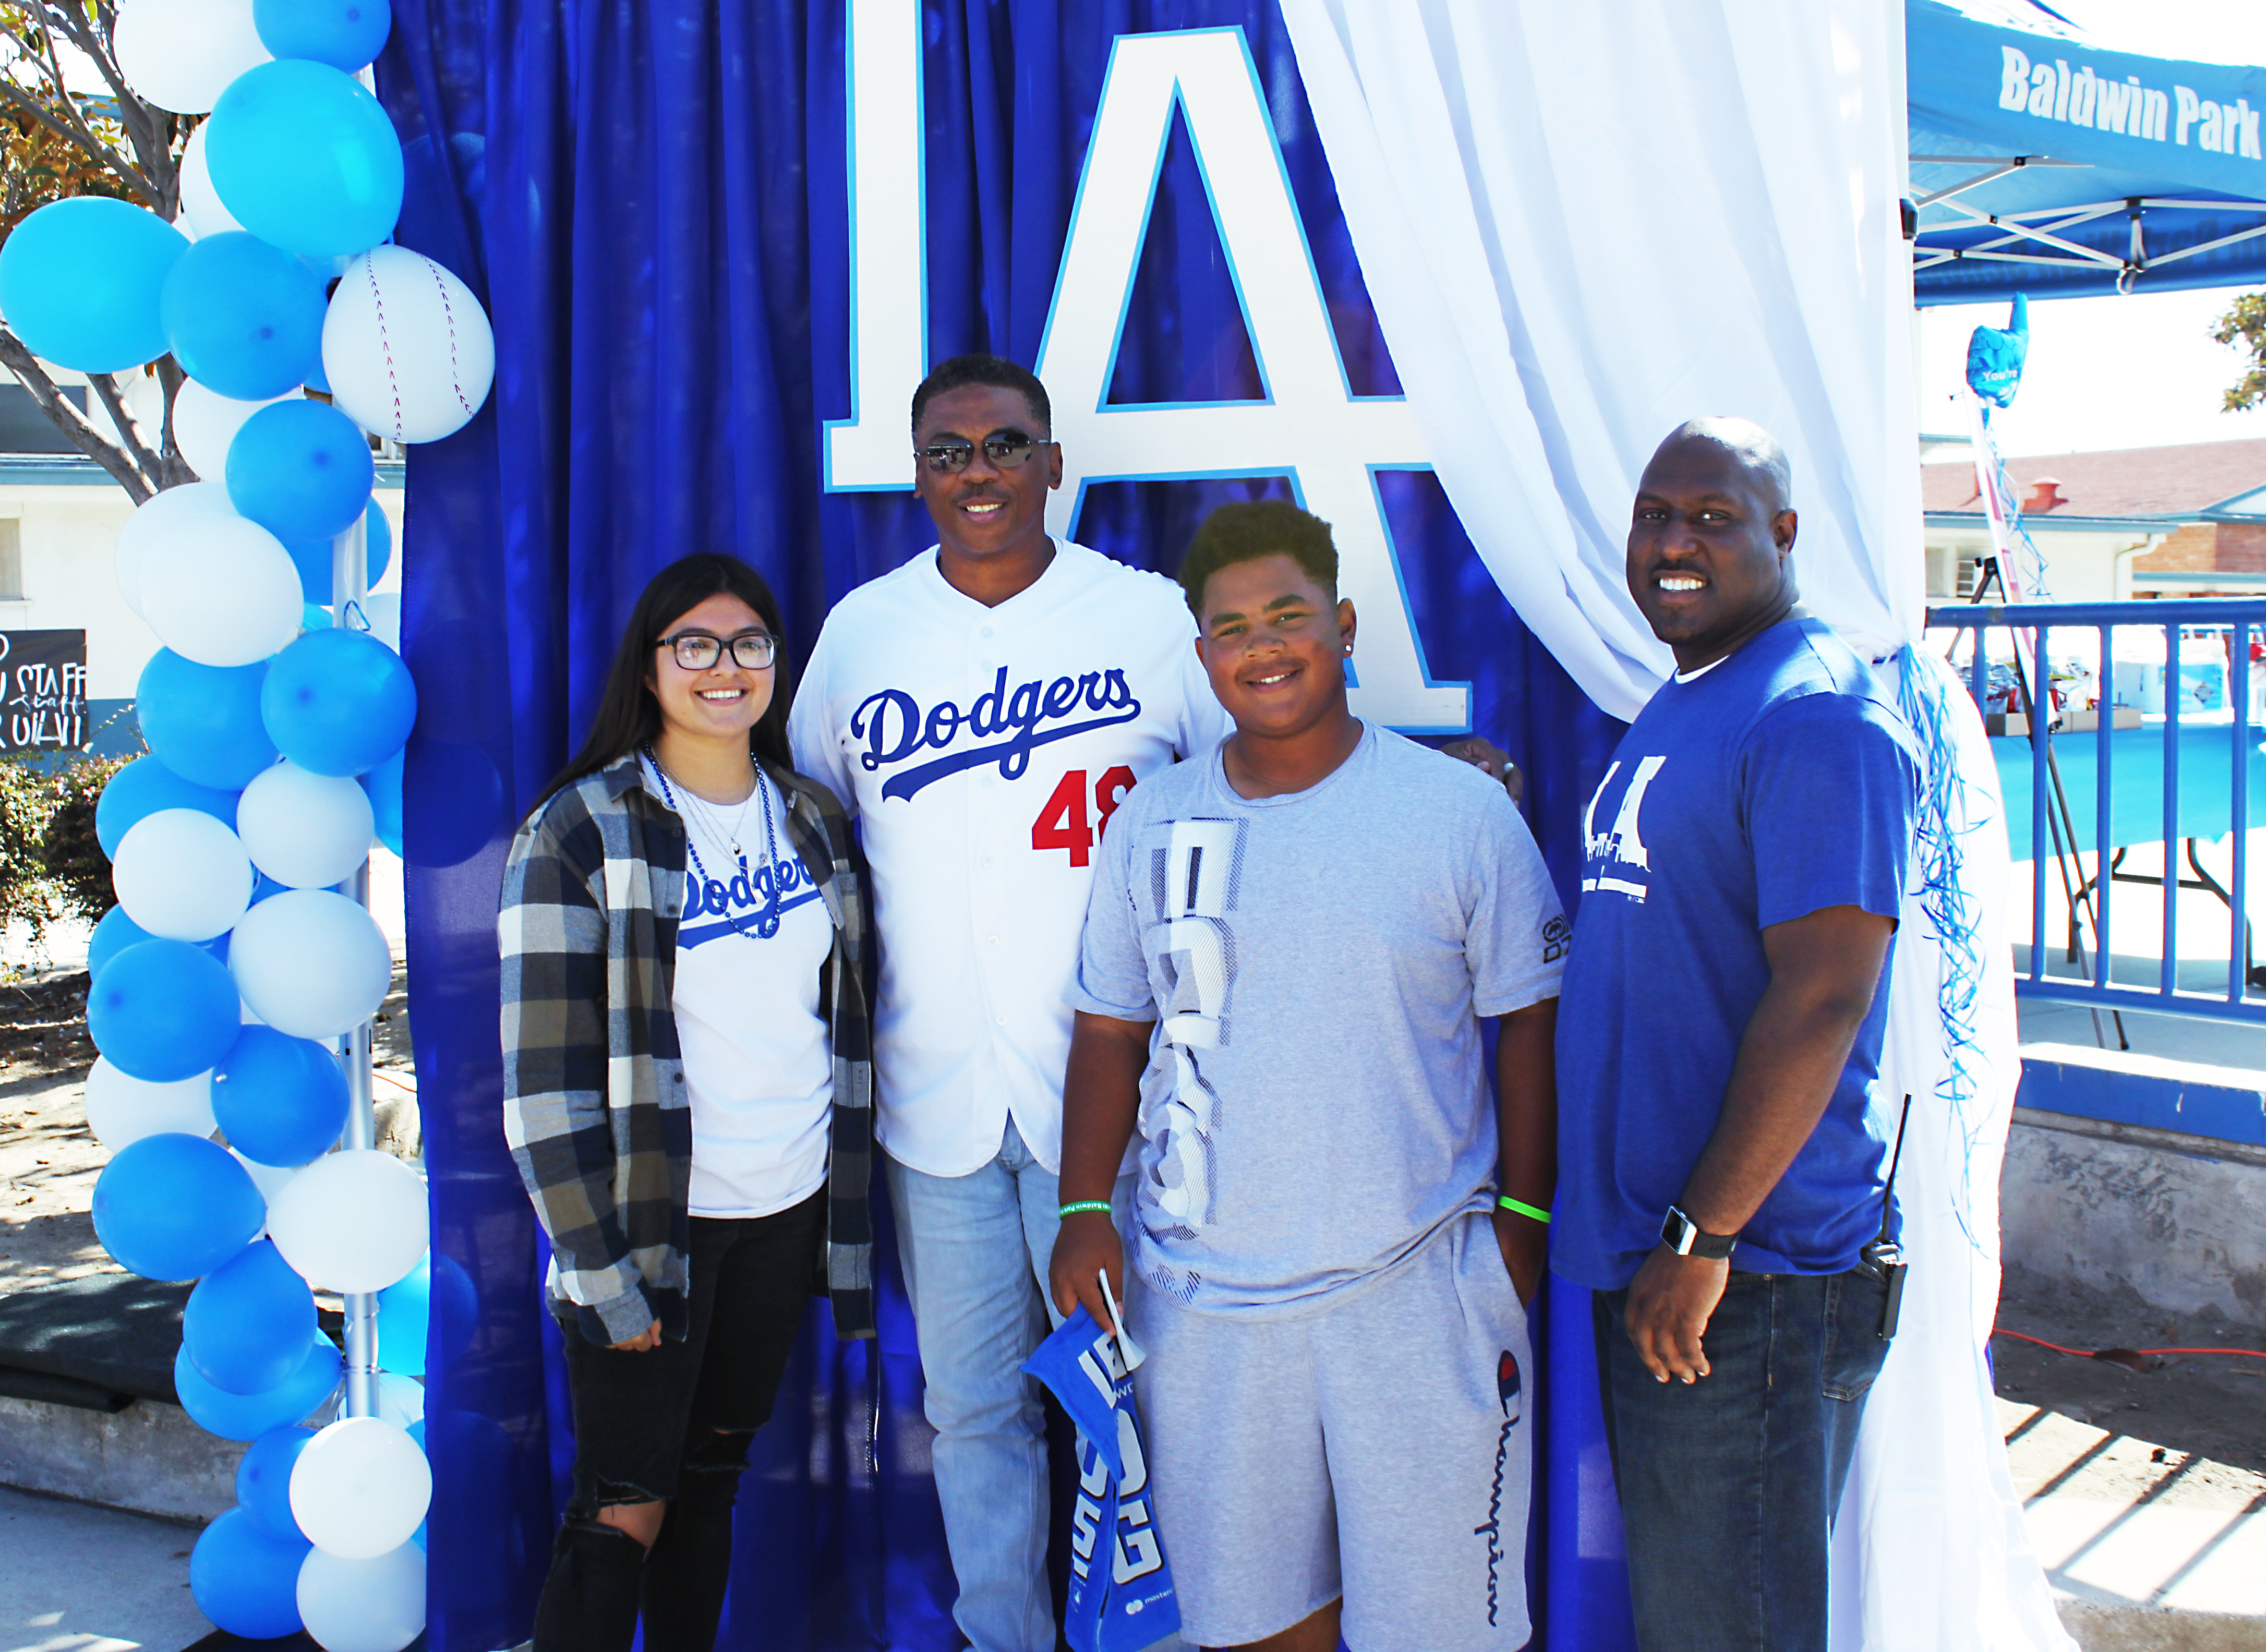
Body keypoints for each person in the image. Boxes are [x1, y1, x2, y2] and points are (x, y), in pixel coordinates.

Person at [1049, 500, 1566, 1652]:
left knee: (1438, 1632)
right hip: (1203, 1308)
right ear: (1202, 657)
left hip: (1418, 1288)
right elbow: (1107, 1030)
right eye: (1231, 628)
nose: (1262, 646)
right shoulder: (1152, 821)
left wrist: (1522, 1229)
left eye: (1287, 616)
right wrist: (1087, 1210)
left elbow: (1530, 1024)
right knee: (1255, 1628)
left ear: (1341, 626)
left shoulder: (1459, 814)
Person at [786, 354, 1231, 1652]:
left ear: (1052, 461)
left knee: (1143, 1402)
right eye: (948, 452)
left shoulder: (1149, 617)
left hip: (1124, 1103)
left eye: (1002, 446)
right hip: (935, 1101)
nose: (976, 473)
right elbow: (815, 813)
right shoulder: (863, 631)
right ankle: (1005, 1637)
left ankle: (1167, 1636)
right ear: (919, 472)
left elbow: (1264, 771)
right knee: (974, 1406)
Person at [1552, 419, 1920, 1652]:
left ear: (1785, 533)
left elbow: (1824, 998)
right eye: (1655, 513)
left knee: (1731, 1632)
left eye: (1711, 517)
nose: (1672, 542)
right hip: (1684, 1261)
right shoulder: (1697, 696)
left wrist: (1701, 1234)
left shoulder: (1815, 715)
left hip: (1744, 1282)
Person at [501, 552, 876, 1652]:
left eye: (750, 643)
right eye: (696, 646)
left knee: (711, 1481)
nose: (726, 668)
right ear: (652, 665)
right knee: (624, 1505)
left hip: (785, 1207)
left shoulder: (811, 819)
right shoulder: (580, 829)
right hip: (654, 1231)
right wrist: (603, 1270)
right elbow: (541, 1083)